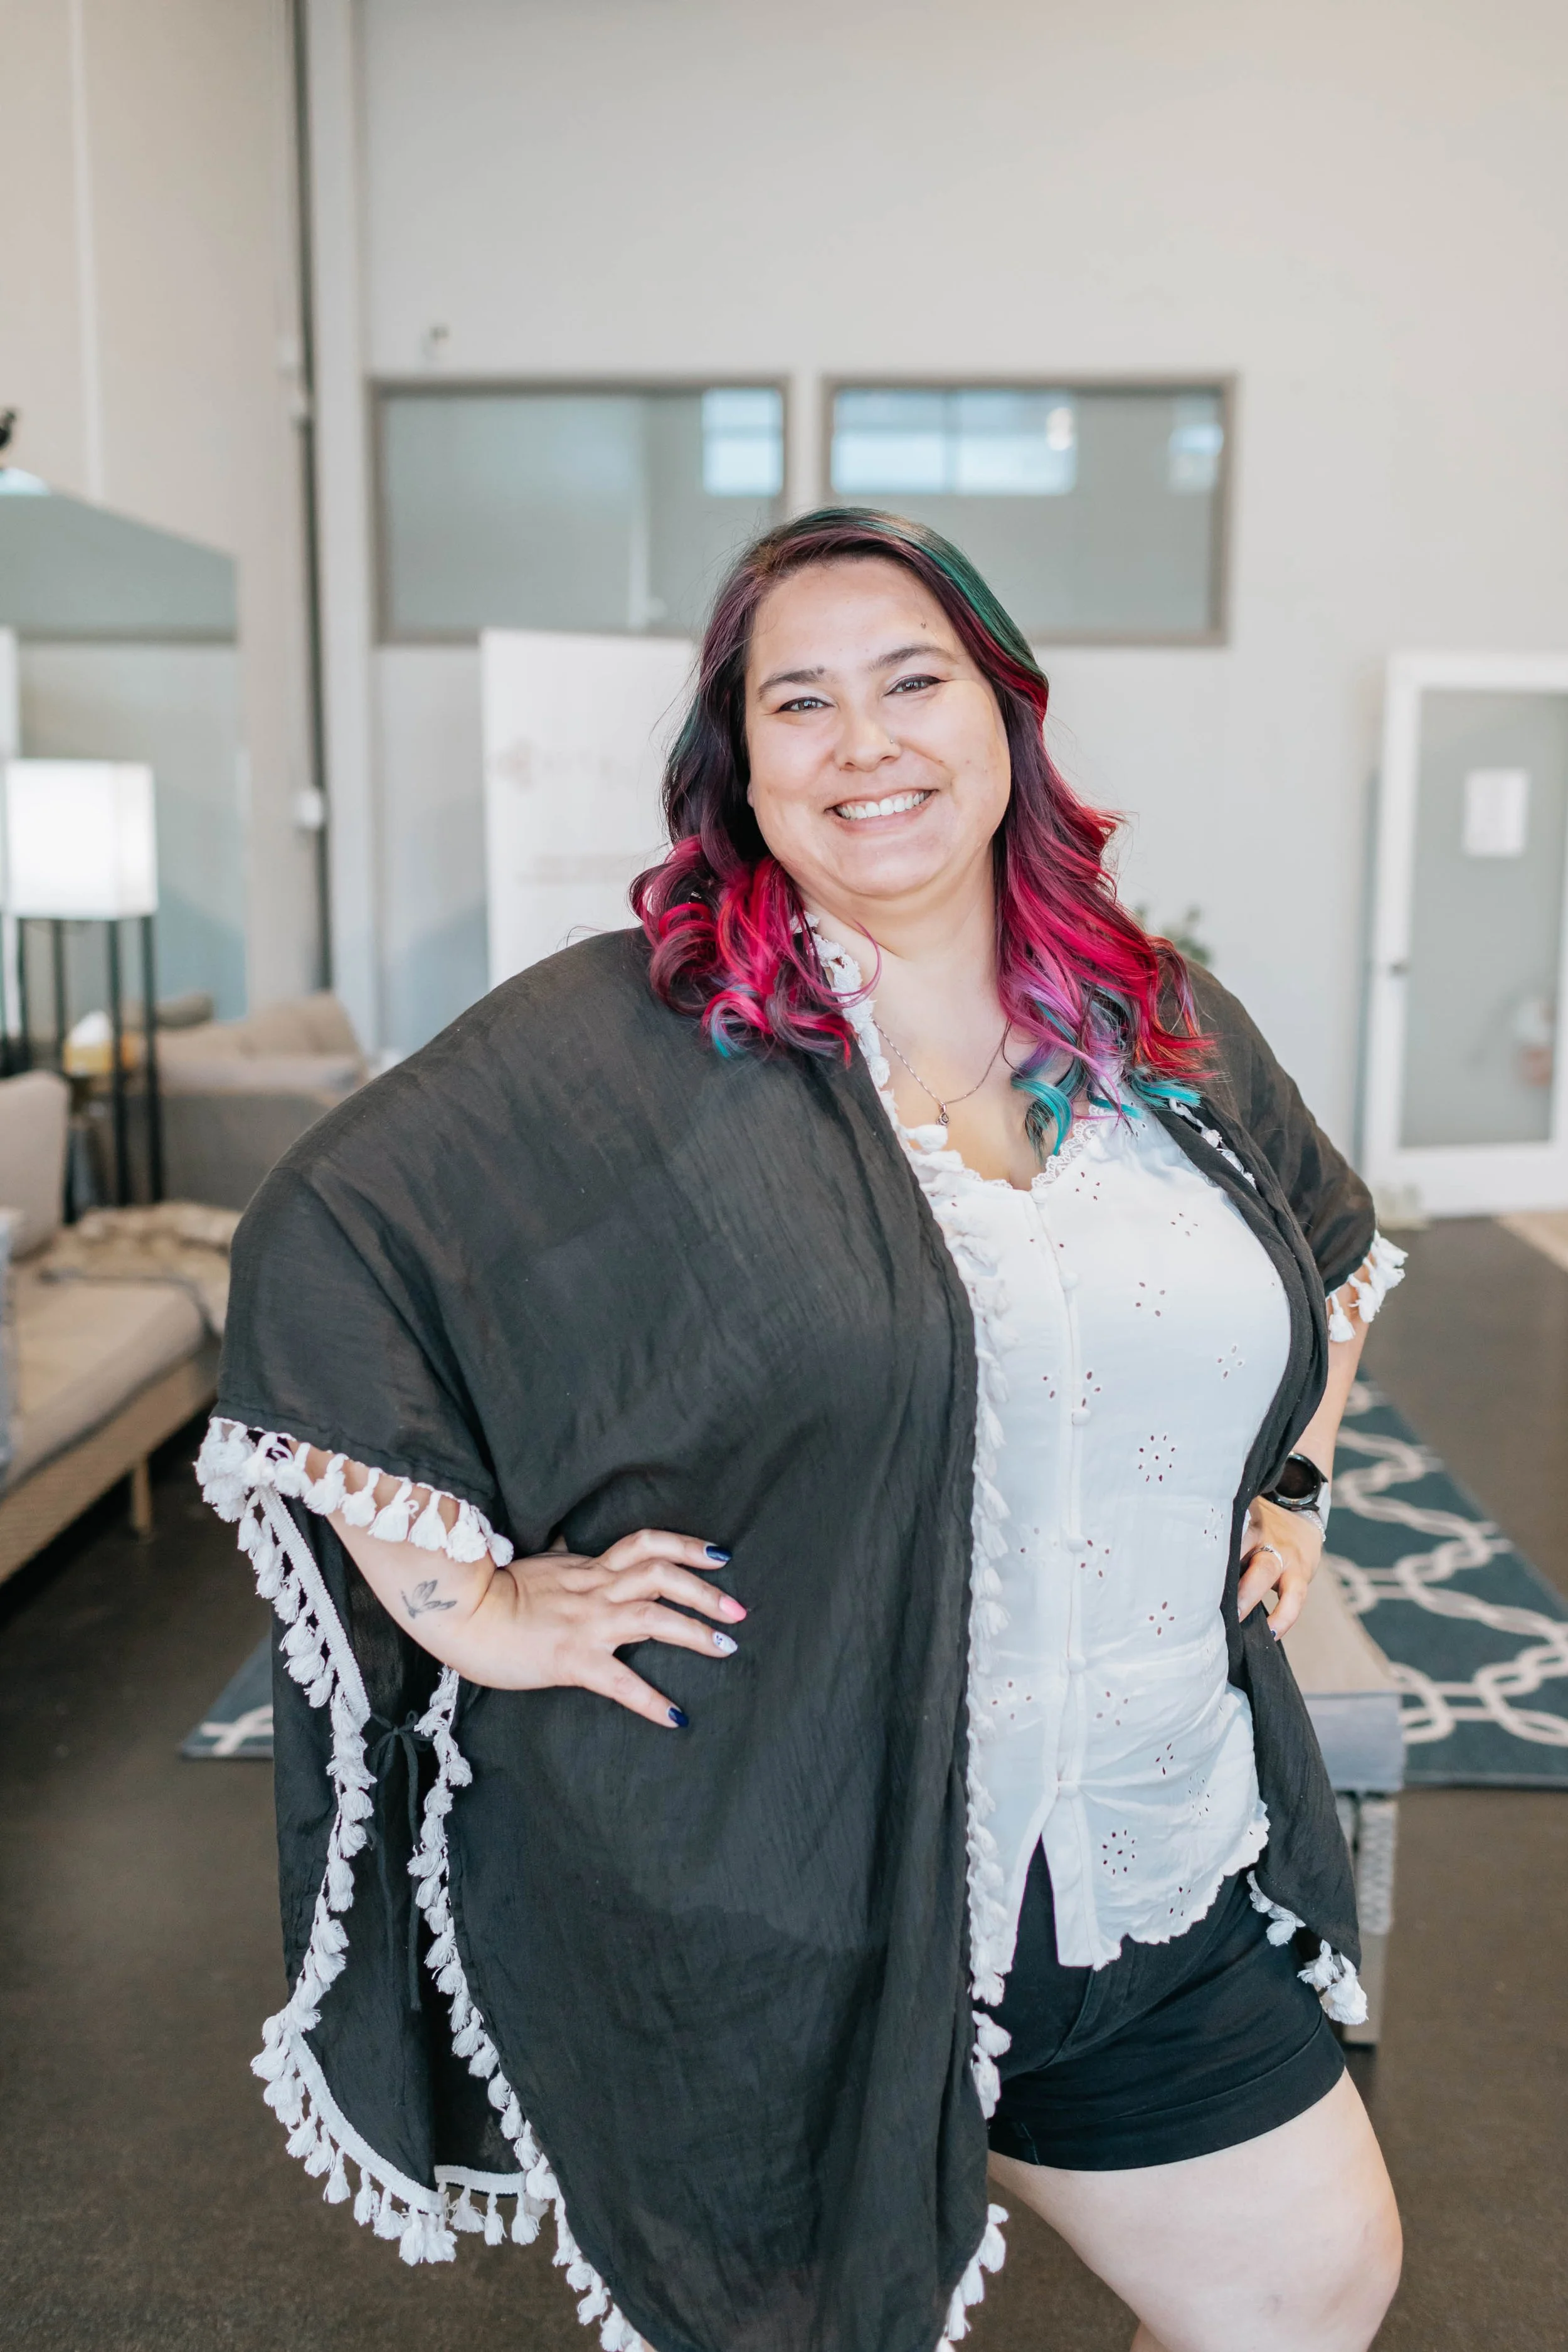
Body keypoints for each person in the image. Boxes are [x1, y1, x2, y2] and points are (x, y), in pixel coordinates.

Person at [202, 508, 1405, 2352]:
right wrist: (477, 1608)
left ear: (1003, 714)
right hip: (786, 1891)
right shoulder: (643, 1032)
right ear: (741, 765)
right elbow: (333, 1239)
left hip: (1145, 1865)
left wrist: (1292, 1480)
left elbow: (1319, 1249)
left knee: (1310, 2294)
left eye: (912, 682)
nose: (865, 744)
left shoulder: (1154, 1020)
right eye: (800, 702)